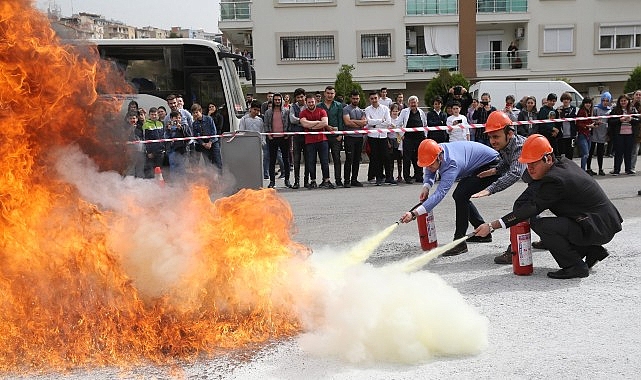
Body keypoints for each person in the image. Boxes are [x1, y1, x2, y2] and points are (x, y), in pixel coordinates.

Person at [475, 134, 623, 279]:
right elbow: (526, 201)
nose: (530, 169)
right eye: (528, 164)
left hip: (597, 227)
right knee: (552, 221)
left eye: (534, 163)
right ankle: (592, 251)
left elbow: (531, 208)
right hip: (601, 222)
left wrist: (492, 226)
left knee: (543, 225)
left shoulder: (555, 180)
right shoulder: (562, 165)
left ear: (548, 158)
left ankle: (574, 266)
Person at [398, 139, 500, 256]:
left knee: (461, 194)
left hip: (492, 165)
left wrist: (414, 213)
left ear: (439, 157)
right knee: (461, 195)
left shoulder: (451, 164)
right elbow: (430, 169)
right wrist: (426, 187)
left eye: (430, 165)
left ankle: (459, 242)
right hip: (479, 164)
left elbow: (440, 194)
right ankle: (483, 234)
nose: (429, 168)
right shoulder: (436, 150)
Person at [300, 94, 334, 189]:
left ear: (315, 102)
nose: (311, 104)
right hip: (309, 141)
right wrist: (318, 123)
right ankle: (313, 181)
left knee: (324, 161)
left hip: (322, 140)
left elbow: (325, 123)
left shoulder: (322, 111)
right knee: (311, 162)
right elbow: (303, 124)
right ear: (306, 103)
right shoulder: (303, 113)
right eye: (309, 102)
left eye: (312, 102)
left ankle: (326, 180)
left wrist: (310, 125)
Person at [364, 91, 395, 186]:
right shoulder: (367, 109)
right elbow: (368, 122)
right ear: (369, 99)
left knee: (386, 157)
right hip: (372, 136)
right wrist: (381, 121)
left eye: (375, 98)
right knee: (375, 158)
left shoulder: (385, 108)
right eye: (372, 98)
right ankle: (378, 177)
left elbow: (388, 122)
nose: (374, 100)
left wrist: (375, 124)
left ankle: (389, 177)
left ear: (378, 98)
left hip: (383, 136)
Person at [396, 95, 427, 184]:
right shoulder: (404, 112)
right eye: (411, 102)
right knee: (407, 158)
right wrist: (402, 135)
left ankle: (419, 176)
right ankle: (407, 177)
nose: (413, 104)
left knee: (419, 158)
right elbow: (398, 124)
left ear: (417, 103)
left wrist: (425, 136)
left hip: (420, 138)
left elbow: (425, 125)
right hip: (408, 138)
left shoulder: (421, 112)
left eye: (415, 102)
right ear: (409, 103)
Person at [263, 93, 292, 188]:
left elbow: (289, 123)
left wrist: (287, 134)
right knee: (272, 160)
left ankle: (287, 180)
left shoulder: (286, 111)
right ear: (273, 101)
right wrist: (269, 135)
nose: (277, 101)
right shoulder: (268, 112)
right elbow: (266, 124)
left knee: (286, 159)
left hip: (284, 138)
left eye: (279, 100)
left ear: (281, 100)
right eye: (276, 100)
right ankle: (272, 181)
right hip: (272, 138)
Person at [318, 85, 344, 187]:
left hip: (336, 136)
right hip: (323, 136)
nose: (330, 95)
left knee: (337, 158)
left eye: (332, 93)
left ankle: (338, 179)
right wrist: (326, 126)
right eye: (328, 93)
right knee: (324, 159)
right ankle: (325, 179)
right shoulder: (319, 106)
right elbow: (318, 120)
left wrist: (340, 134)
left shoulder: (338, 105)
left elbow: (341, 120)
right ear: (324, 94)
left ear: (334, 94)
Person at [608, 94, 640, 175]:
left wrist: (631, 119)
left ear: (628, 101)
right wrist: (619, 120)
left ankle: (628, 169)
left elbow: (638, 120)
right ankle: (616, 170)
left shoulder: (633, 109)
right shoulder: (615, 110)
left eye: (625, 100)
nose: (623, 102)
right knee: (618, 152)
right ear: (619, 102)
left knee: (628, 152)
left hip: (630, 134)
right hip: (619, 134)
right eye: (621, 101)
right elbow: (610, 122)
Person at [342, 90, 367, 188]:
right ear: (350, 98)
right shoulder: (346, 109)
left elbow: (364, 123)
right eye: (354, 98)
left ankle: (354, 179)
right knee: (349, 159)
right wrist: (358, 123)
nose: (355, 100)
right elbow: (347, 123)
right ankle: (347, 180)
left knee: (357, 160)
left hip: (359, 138)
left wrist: (354, 122)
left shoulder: (361, 111)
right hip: (349, 138)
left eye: (357, 98)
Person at [289, 88, 310, 189]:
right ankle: (296, 182)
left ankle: (306, 181)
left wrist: (301, 120)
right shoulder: (293, 107)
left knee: (308, 159)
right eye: (298, 97)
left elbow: (311, 118)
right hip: (297, 137)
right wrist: (303, 121)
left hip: (307, 136)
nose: (300, 99)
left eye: (302, 96)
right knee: (296, 160)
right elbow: (292, 119)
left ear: (305, 96)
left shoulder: (309, 106)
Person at [191, 103, 222, 170]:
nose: (195, 114)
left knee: (217, 161)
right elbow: (196, 136)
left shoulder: (209, 119)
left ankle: (220, 178)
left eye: (197, 112)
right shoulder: (194, 124)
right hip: (203, 144)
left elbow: (214, 131)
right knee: (208, 163)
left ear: (200, 111)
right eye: (194, 113)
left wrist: (210, 142)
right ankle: (210, 178)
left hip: (213, 142)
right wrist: (203, 143)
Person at [588, 92, 611, 176]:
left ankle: (600, 169)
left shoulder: (609, 110)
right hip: (594, 133)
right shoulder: (596, 108)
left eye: (607, 100)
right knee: (590, 152)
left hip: (603, 133)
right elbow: (591, 119)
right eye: (603, 100)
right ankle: (588, 168)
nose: (605, 102)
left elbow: (610, 122)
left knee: (600, 152)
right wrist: (596, 122)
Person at [141, 107, 166, 178]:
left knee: (159, 169)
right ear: (149, 115)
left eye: (155, 114)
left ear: (158, 115)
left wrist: (163, 149)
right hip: (151, 152)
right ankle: (150, 184)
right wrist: (148, 152)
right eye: (152, 114)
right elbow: (145, 139)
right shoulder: (146, 125)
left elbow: (163, 137)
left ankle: (159, 184)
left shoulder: (160, 124)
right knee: (150, 169)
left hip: (160, 151)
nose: (154, 116)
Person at [123, 111, 145, 178]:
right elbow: (124, 137)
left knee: (140, 166)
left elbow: (143, 137)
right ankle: (129, 182)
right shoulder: (125, 127)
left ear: (137, 119)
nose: (133, 120)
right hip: (130, 151)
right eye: (131, 118)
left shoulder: (140, 126)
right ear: (127, 119)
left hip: (140, 150)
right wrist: (131, 128)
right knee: (131, 167)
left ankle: (140, 181)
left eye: (134, 118)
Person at [575, 98, 594, 172]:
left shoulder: (589, 111)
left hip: (588, 134)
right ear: (583, 104)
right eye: (586, 103)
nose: (588, 104)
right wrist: (587, 126)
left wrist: (595, 123)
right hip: (582, 134)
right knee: (585, 154)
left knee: (587, 154)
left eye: (589, 103)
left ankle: (583, 170)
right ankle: (582, 170)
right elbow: (578, 123)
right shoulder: (581, 111)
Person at [556, 92, 577, 160]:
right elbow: (557, 121)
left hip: (571, 135)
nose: (566, 101)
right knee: (561, 154)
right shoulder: (558, 110)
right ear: (562, 100)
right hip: (561, 136)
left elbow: (571, 117)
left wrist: (564, 113)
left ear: (570, 100)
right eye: (564, 99)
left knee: (570, 153)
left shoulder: (573, 108)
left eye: (567, 99)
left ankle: (569, 169)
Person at [630, 90, 641, 172]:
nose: (638, 96)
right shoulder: (628, 104)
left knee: (635, 151)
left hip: (639, 131)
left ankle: (632, 167)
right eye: (636, 94)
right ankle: (629, 167)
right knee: (627, 150)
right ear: (633, 96)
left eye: (640, 95)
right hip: (629, 130)